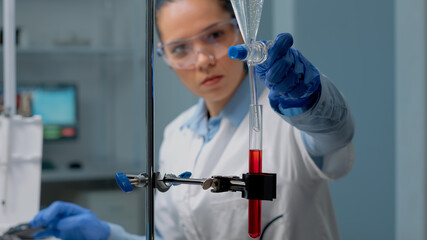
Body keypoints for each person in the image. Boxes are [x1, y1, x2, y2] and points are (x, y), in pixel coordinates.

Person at [29, 0, 354, 239]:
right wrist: (109, 236)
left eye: (214, 35)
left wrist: (309, 100)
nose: (202, 61)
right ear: (164, 57)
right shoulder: (176, 135)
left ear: (240, 31)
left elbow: (334, 140)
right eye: (181, 48)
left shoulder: (286, 114)